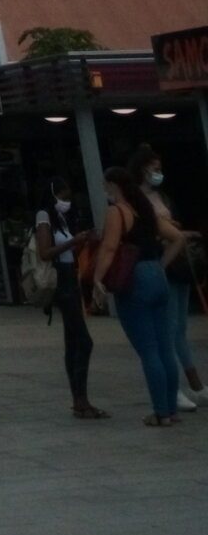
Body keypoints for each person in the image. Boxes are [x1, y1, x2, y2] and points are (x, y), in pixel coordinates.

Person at [90, 162, 185, 426]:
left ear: (113, 186)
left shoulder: (116, 212)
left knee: (148, 349)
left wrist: (97, 279)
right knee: (166, 347)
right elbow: (178, 238)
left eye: (105, 186)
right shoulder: (145, 210)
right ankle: (171, 410)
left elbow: (109, 249)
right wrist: (159, 266)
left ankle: (160, 412)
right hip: (157, 274)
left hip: (135, 281)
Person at [132, 144, 206, 413]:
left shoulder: (162, 196)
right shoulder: (138, 199)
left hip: (178, 262)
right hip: (161, 262)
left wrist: (180, 232)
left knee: (180, 328)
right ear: (143, 169)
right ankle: (177, 388)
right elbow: (147, 231)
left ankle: (196, 385)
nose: (158, 173)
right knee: (169, 328)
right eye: (155, 169)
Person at [33, 178, 103, 420]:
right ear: (54, 196)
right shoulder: (44, 217)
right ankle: (81, 400)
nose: (67, 202)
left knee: (73, 340)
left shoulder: (60, 219)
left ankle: (80, 401)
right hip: (61, 281)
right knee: (83, 340)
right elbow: (45, 252)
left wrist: (81, 242)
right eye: (63, 197)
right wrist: (74, 241)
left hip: (69, 277)